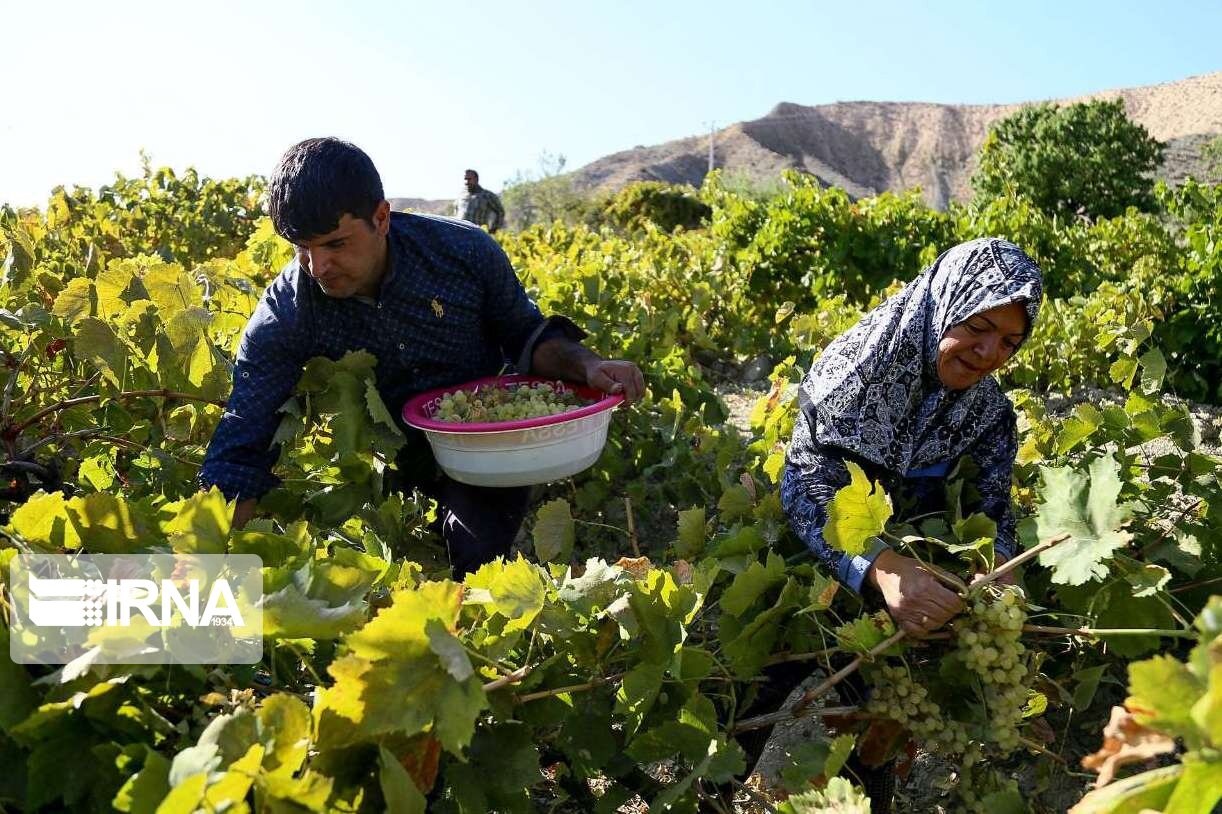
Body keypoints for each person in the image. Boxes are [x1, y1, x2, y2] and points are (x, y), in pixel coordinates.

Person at [199, 138, 644, 576]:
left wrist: (586, 365)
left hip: (481, 446)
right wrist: (207, 558)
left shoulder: (464, 253)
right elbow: (244, 436)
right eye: (301, 248)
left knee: (477, 556)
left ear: (381, 218)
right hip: (382, 460)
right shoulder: (289, 310)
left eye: (335, 244)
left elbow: (524, 334)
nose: (317, 268)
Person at [754, 238, 1043, 811]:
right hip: (811, 571)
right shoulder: (858, 369)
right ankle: (706, 795)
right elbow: (806, 482)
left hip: (911, 592)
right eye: (977, 326)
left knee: (883, 713)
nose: (989, 352)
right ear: (945, 304)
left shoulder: (987, 412)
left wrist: (998, 570)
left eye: (1009, 341)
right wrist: (880, 571)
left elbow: (991, 506)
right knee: (757, 694)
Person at [455, 169, 505, 233]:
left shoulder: (487, 195)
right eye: (465, 179)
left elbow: (500, 212)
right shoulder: (461, 195)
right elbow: (456, 213)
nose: (466, 182)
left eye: (469, 179)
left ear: (476, 179)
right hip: (459, 234)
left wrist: (493, 229)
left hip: (478, 235)